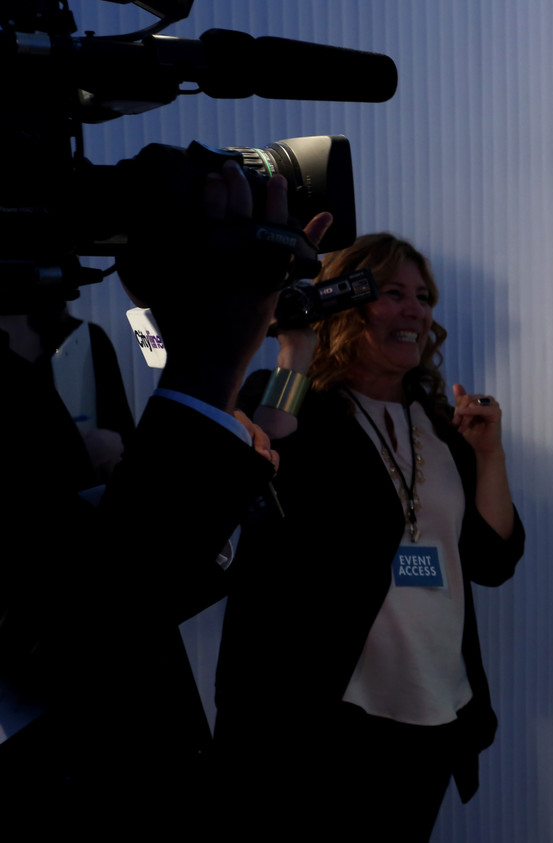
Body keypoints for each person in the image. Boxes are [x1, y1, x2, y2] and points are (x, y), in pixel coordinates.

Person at [0, 161, 325, 826]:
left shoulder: (93, 343)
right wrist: (174, 330)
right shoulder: (209, 390)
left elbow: (266, 430)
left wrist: (291, 353)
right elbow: (187, 398)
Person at [215, 232, 524, 837]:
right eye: (392, 293)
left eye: (423, 297)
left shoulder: (439, 425)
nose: (415, 310)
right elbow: (268, 467)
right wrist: (296, 349)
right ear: (346, 305)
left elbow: (492, 561)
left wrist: (489, 455)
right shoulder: (292, 404)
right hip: (320, 716)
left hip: (434, 710)